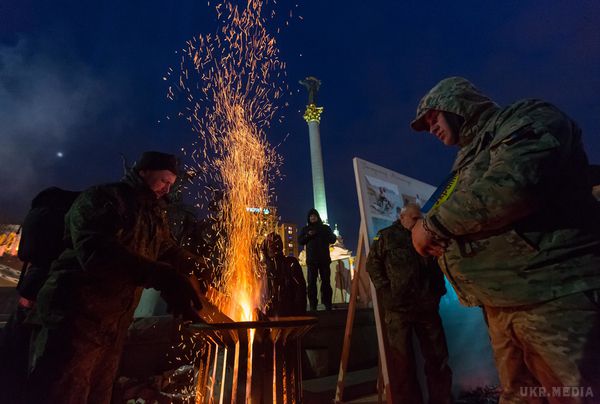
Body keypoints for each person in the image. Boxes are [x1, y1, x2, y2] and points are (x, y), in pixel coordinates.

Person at [410, 77, 600, 403]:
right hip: (501, 305)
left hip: (551, 296)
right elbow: (455, 210)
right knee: (520, 396)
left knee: (575, 394)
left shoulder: (526, 117)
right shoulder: (467, 159)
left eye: (433, 117)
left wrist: (432, 226)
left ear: (457, 105)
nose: (431, 128)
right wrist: (419, 222)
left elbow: (514, 184)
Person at [25, 151, 212, 404]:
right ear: (144, 171)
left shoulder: (152, 214)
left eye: (171, 184)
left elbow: (166, 248)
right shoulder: (105, 198)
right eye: (163, 181)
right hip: (74, 318)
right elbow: (95, 252)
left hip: (113, 326)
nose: (166, 190)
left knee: (99, 394)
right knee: (63, 391)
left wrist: (197, 264)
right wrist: (158, 274)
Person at [367, 203, 452, 404]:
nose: (418, 222)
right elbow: (372, 264)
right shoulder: (386, 236)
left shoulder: (426, 234)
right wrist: (387, 292)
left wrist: (438, 292)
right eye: (414, 218)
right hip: (398, 309)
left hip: (427, 307)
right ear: (402, 217)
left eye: (419, 218)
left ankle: (441, 399)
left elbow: (437, 264)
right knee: (403, 363)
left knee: (438, 358)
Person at [298, 208, 337, 311]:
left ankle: (328, 304)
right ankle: (312, 305)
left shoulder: (325, 228)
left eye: (314, 216)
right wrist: (308, 235)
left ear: (317, 217)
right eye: (311, 216)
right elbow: (300, 241)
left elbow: (333, 239)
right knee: (311, 283)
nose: (312, 217)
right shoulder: (305, 229)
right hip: (311, 260)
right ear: (308, 218)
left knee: (326, 282)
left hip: (324, 259)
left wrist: (326, 234)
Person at [261, 232, 306, 317]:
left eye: (274, 244)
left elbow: (300, 288)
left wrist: (299, 310)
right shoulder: (263, 268)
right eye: (270, 244)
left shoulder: (290, 263)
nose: (273, 247)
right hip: (271, 312)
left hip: (288, 310)